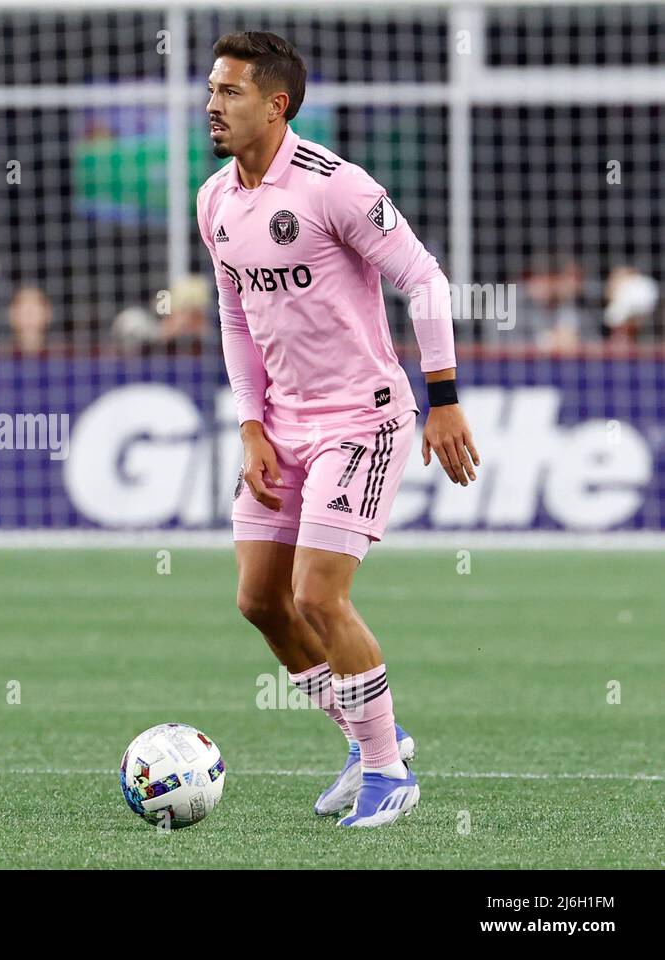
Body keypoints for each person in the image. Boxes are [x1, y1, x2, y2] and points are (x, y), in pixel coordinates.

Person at [198, 31, 479, 827]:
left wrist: (444, 396)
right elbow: (234, 315)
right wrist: (251, 425)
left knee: (317, 593)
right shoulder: (215, 199)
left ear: (276, 104)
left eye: (231, 92)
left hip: (363, 417)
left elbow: (424, 277)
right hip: (280, 427)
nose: (213, 105)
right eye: (212, 90)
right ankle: (365, 743)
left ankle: (393, 773)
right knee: (260, 602)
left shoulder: (336, 186)